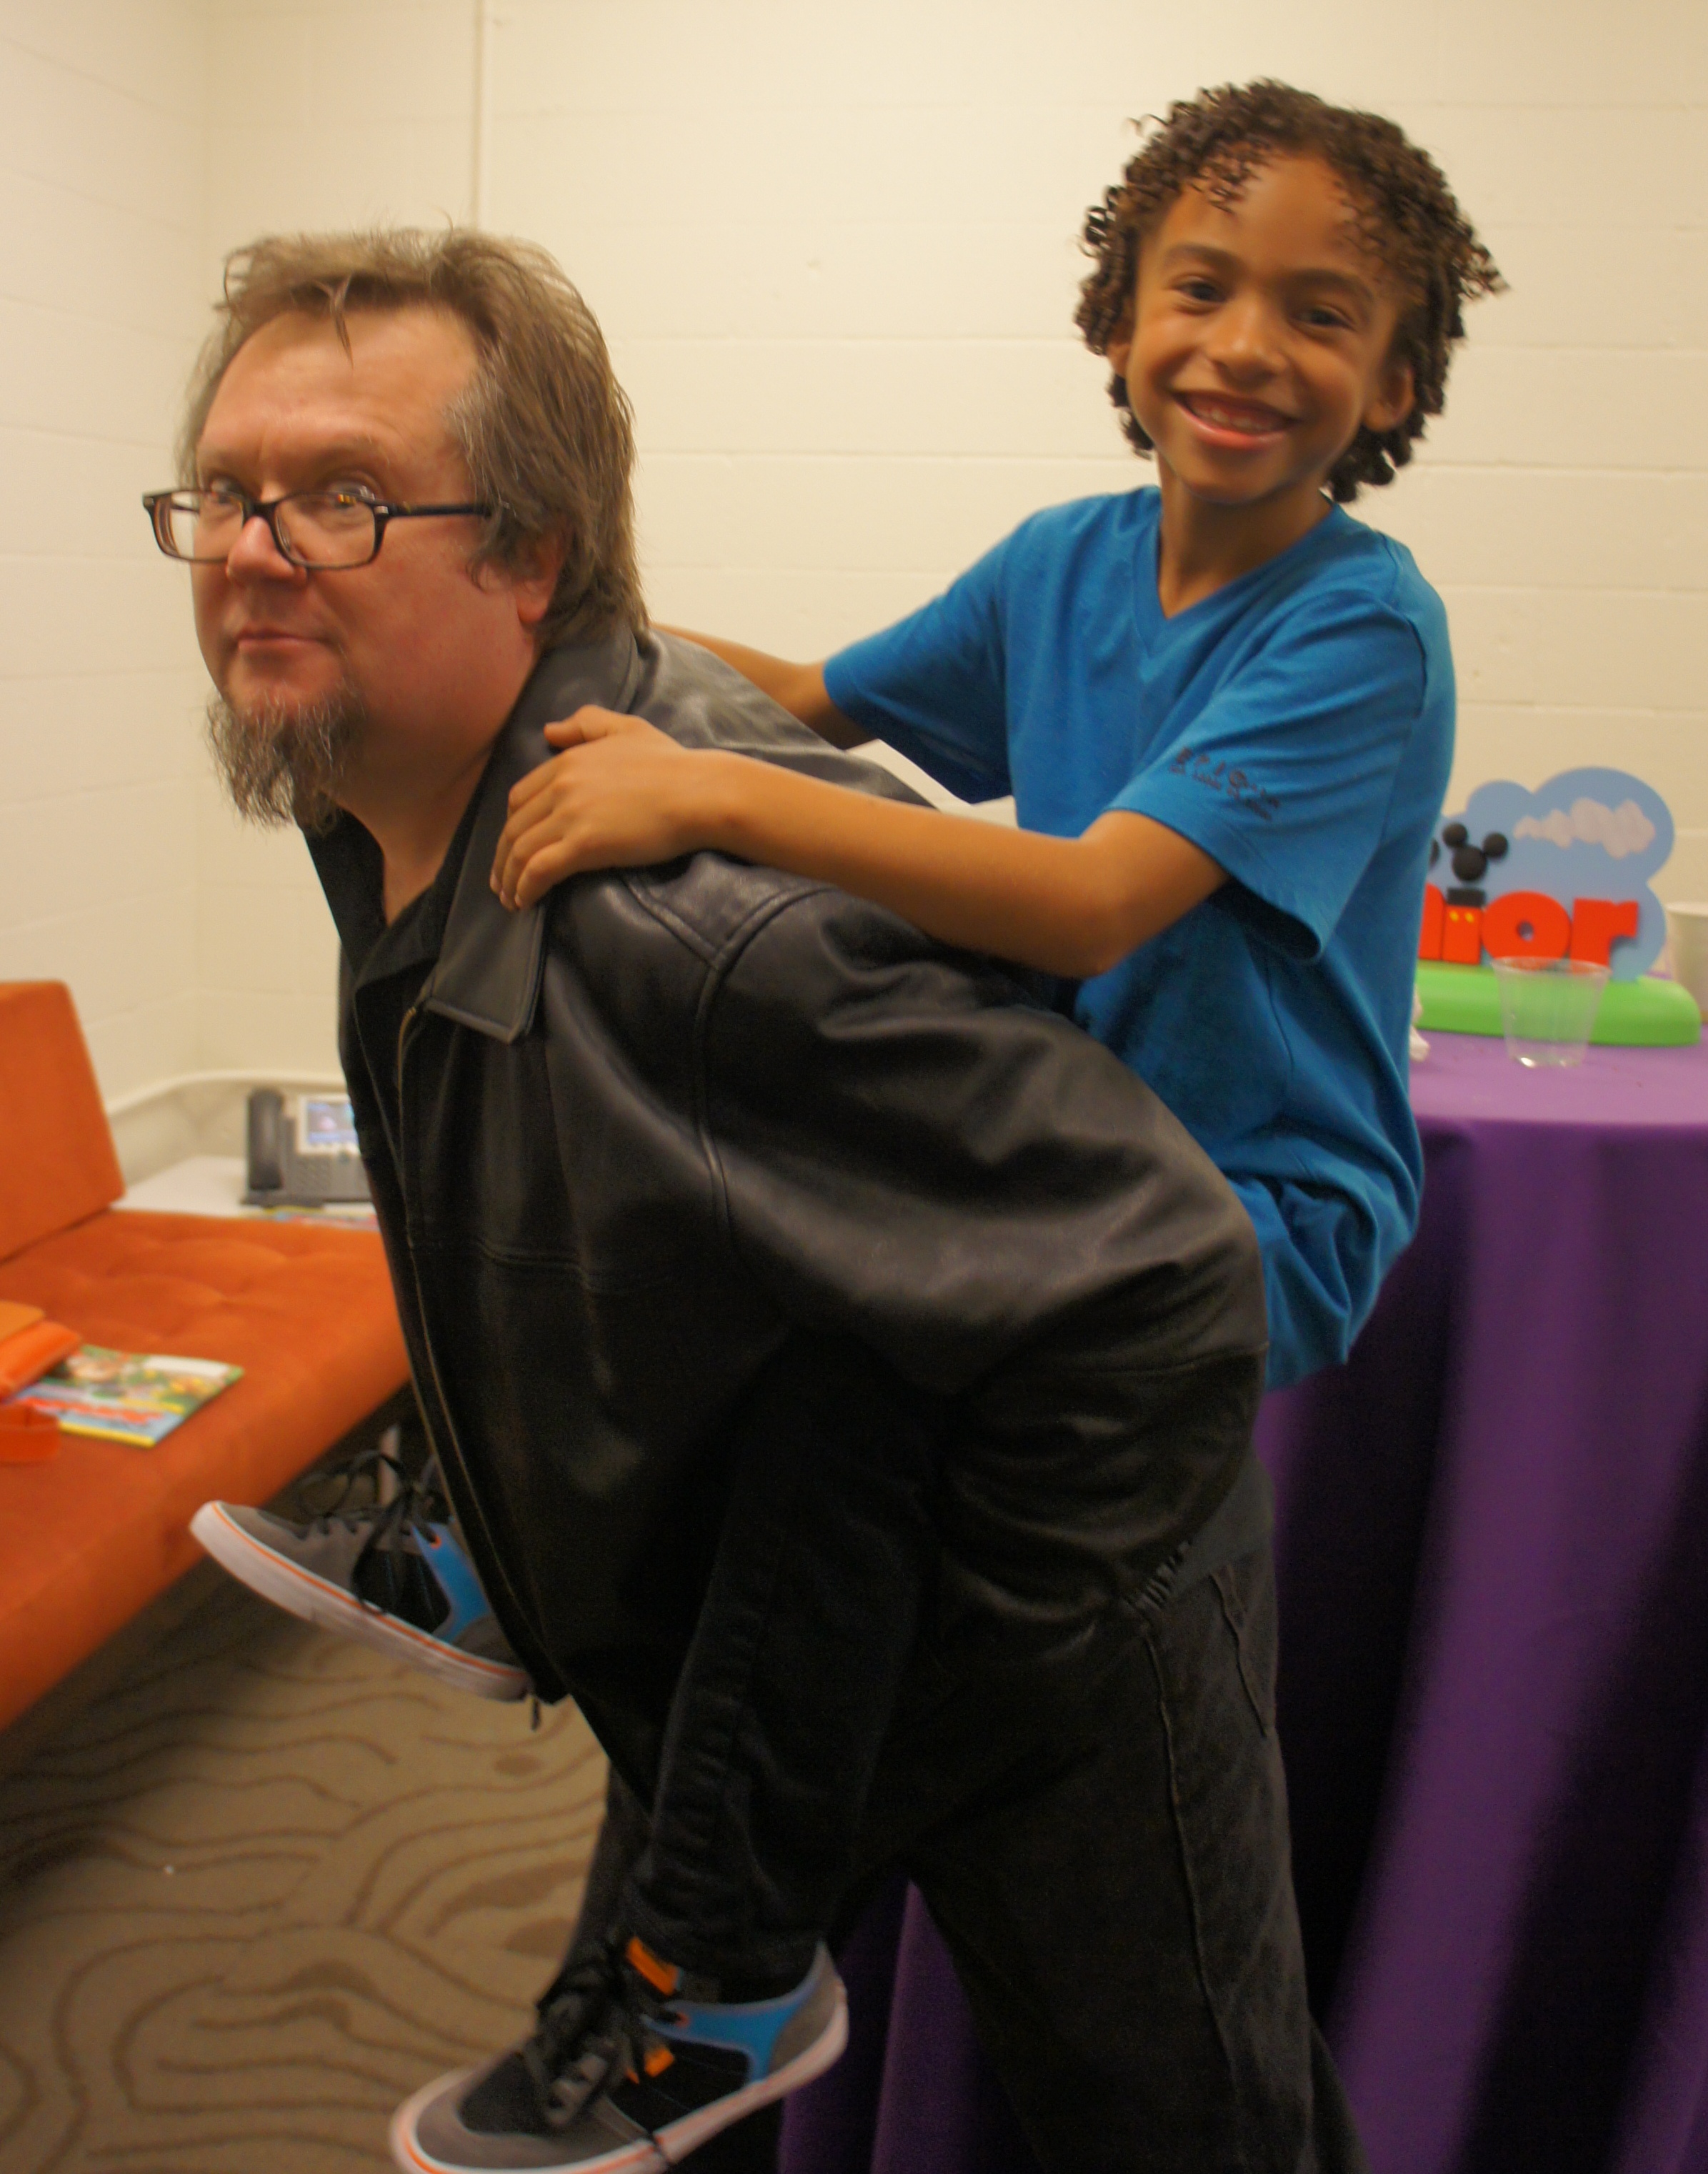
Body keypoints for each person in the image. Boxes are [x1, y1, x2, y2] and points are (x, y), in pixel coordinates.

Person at [159, 224, 1351, 2174]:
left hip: (1056, 1641)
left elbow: (1165, 1284)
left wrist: (938, 1669)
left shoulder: (706, 935)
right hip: (794, 1551)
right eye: (229, 491)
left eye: (347, 498)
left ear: (528, 559)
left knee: (1181, 2118)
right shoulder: (362, 776)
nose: (254, 547)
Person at [489, 79, 1502, 1397]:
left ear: (1392, 384)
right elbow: (796, 698)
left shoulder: (1363, 628)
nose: (1247, 346)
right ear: (1120, 320)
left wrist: (704, 797)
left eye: (1319, 315)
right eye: (1201, 290)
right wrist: (530, 617)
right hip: (1065, 1135)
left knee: (809, 1314)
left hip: (1256, 1213)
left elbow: (1092, 907)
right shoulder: (1062, 564)